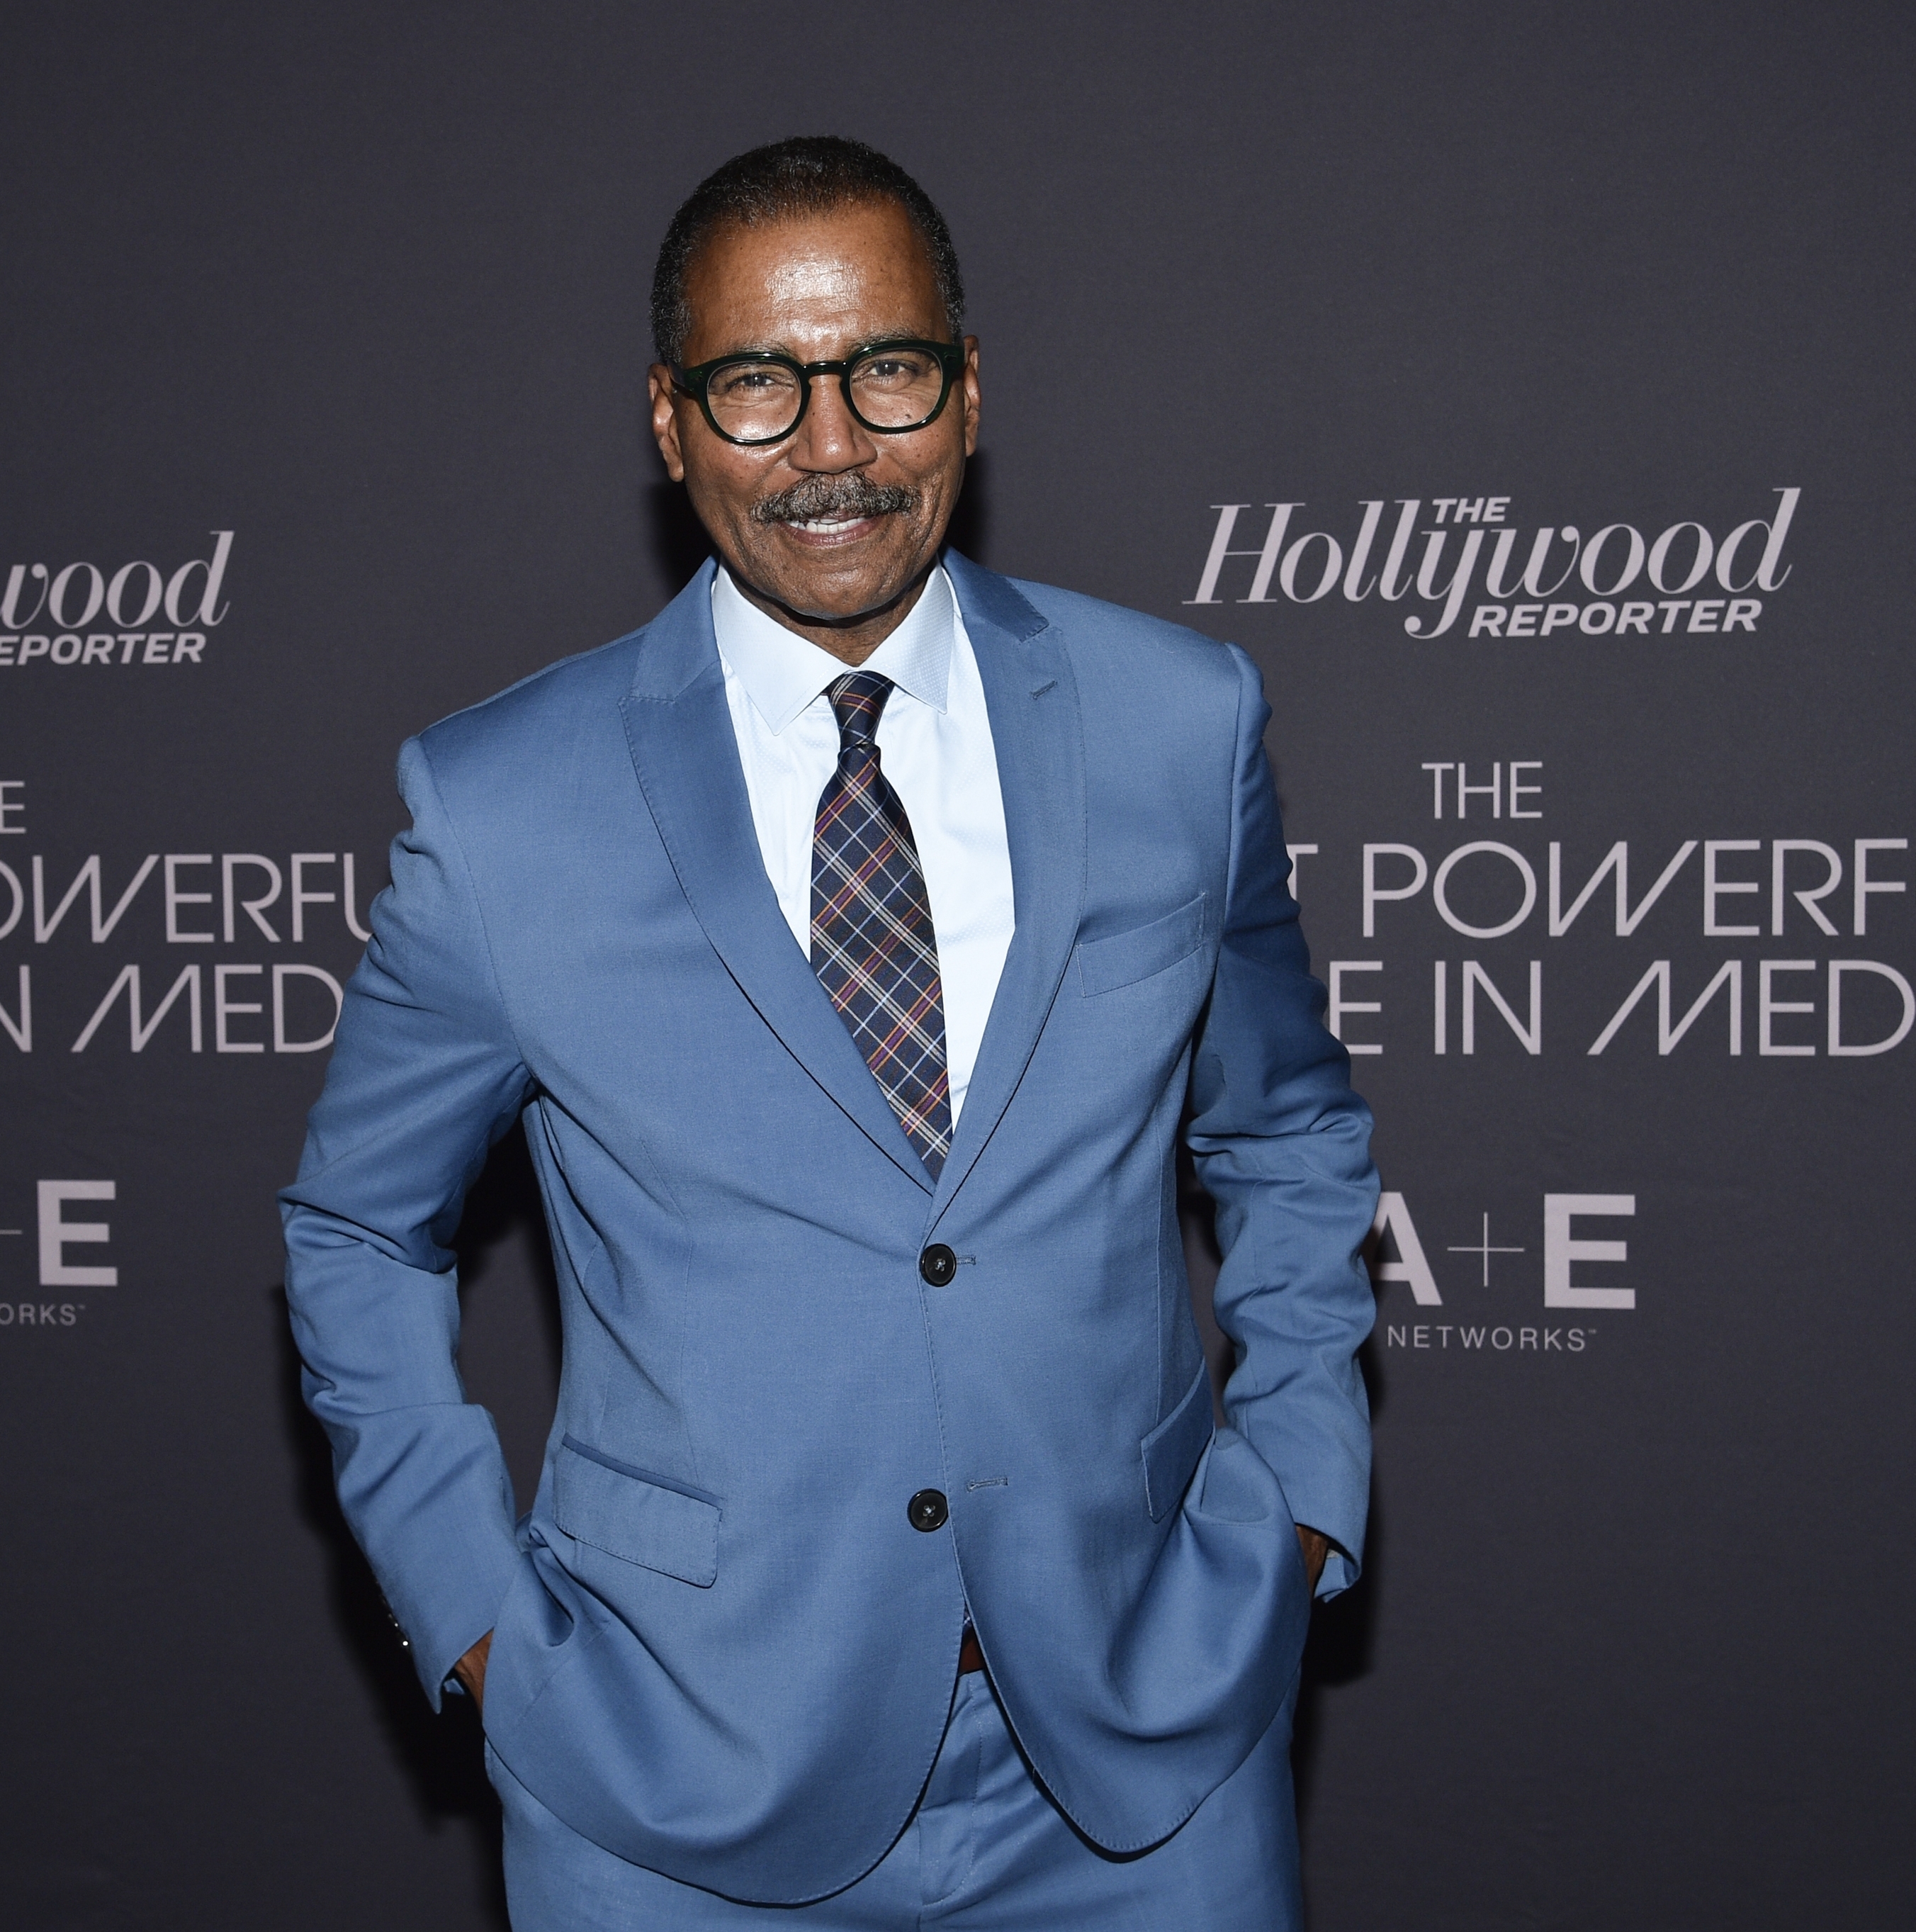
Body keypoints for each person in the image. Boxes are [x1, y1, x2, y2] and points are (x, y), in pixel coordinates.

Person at [282, 135, 1378, 1928]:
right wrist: (483, 1625)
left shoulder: (1176, 720)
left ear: (964, 392)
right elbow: (353, 1226)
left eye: (883, 368)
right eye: (754, 386)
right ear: (668, 421)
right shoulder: (498, 806)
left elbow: (1286, 1129)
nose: (830, 447)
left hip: (1142, 1748)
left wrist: (1301, 1486)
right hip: (673, 1772)